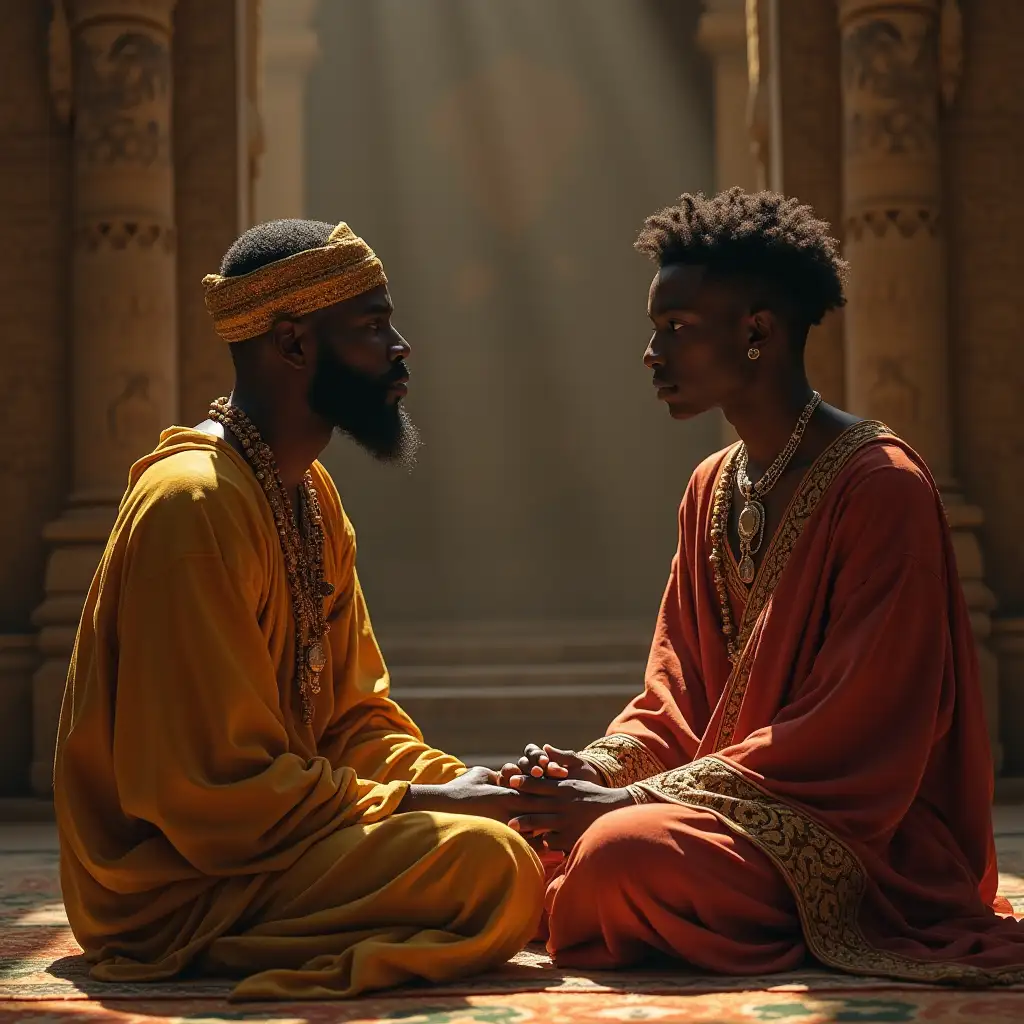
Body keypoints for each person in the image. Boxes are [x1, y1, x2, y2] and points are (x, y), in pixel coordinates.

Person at [500, 188, 1024, 984]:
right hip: (726, 812)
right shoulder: (709, 487)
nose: (652, 355)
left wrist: (623, 809)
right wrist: (593, 773)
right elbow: (675, 700)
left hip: (857, 830)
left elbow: (861, 727)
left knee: (616, 855)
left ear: (757, 333)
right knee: (523, 841)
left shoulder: (882, 486)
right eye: (654, 332)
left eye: (674, 330)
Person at [53, 219, 548, 1001]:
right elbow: (208, 789)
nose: (401, 347)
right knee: (494, 870)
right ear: (292, 344)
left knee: (514, 839)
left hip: (279, 837)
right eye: (374, 326)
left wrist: (477, 785)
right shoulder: (194, 504)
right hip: (180, 877)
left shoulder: (310, 496)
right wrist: (423, 807)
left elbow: (353, 721)